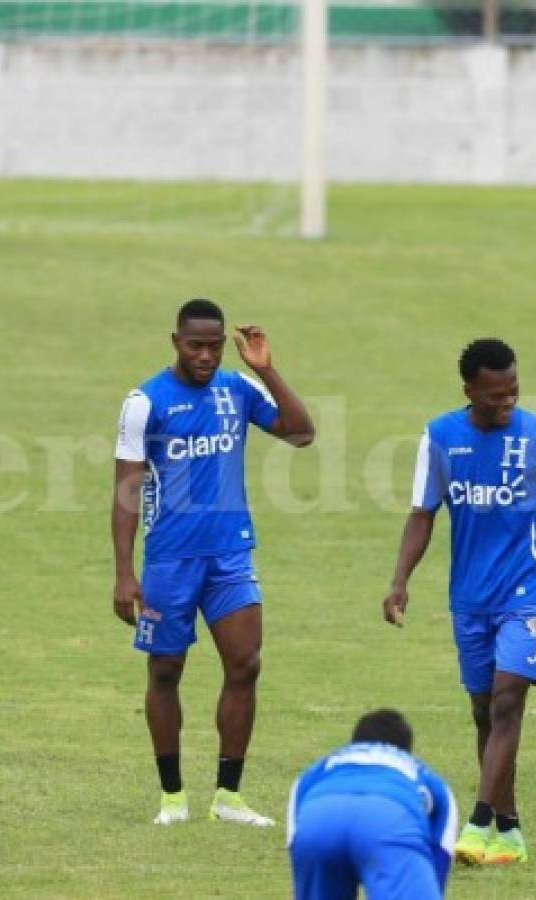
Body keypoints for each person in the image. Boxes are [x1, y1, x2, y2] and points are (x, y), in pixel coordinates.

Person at [111, 298, 314, 826]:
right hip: (170, 559)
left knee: (245, 664)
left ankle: (229, 796)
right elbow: (126, 489)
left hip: (229, 553)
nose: (205, 355)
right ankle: (173, 796)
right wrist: (124, 572)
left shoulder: (238, 389)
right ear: (174, 341)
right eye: (195, 345)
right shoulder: (145, 401)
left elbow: (301, 432)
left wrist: (266, 368)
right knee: (166, 670)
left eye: (214, 345)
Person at [382, 338, 536, 865]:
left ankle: (478, 820)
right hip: (470, 596)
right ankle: (509, 829)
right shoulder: (441, 437)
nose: (507, 401)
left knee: (508, 699)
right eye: (495, 395)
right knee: (484, 711)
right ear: (469, 391)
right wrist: (400, 580)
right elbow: (423, 513)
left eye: (513, 390)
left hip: (530, 591)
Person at [287, 709, 457, 900]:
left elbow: (296, 838)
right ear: (406, 751)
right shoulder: (422, 773)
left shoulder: (319, 769)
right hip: (386, 818)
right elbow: (439, 854)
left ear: (354, 744)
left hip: (320, 817)